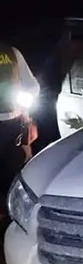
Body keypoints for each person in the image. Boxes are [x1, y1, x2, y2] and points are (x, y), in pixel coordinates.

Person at [0, 42, 39, 191]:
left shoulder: (13, 53)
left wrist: (25, 106)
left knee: (16, 172)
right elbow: (32, 86)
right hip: (15, 125)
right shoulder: (12, 53)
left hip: (15, 125)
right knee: (15, 176)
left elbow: (32, 86)